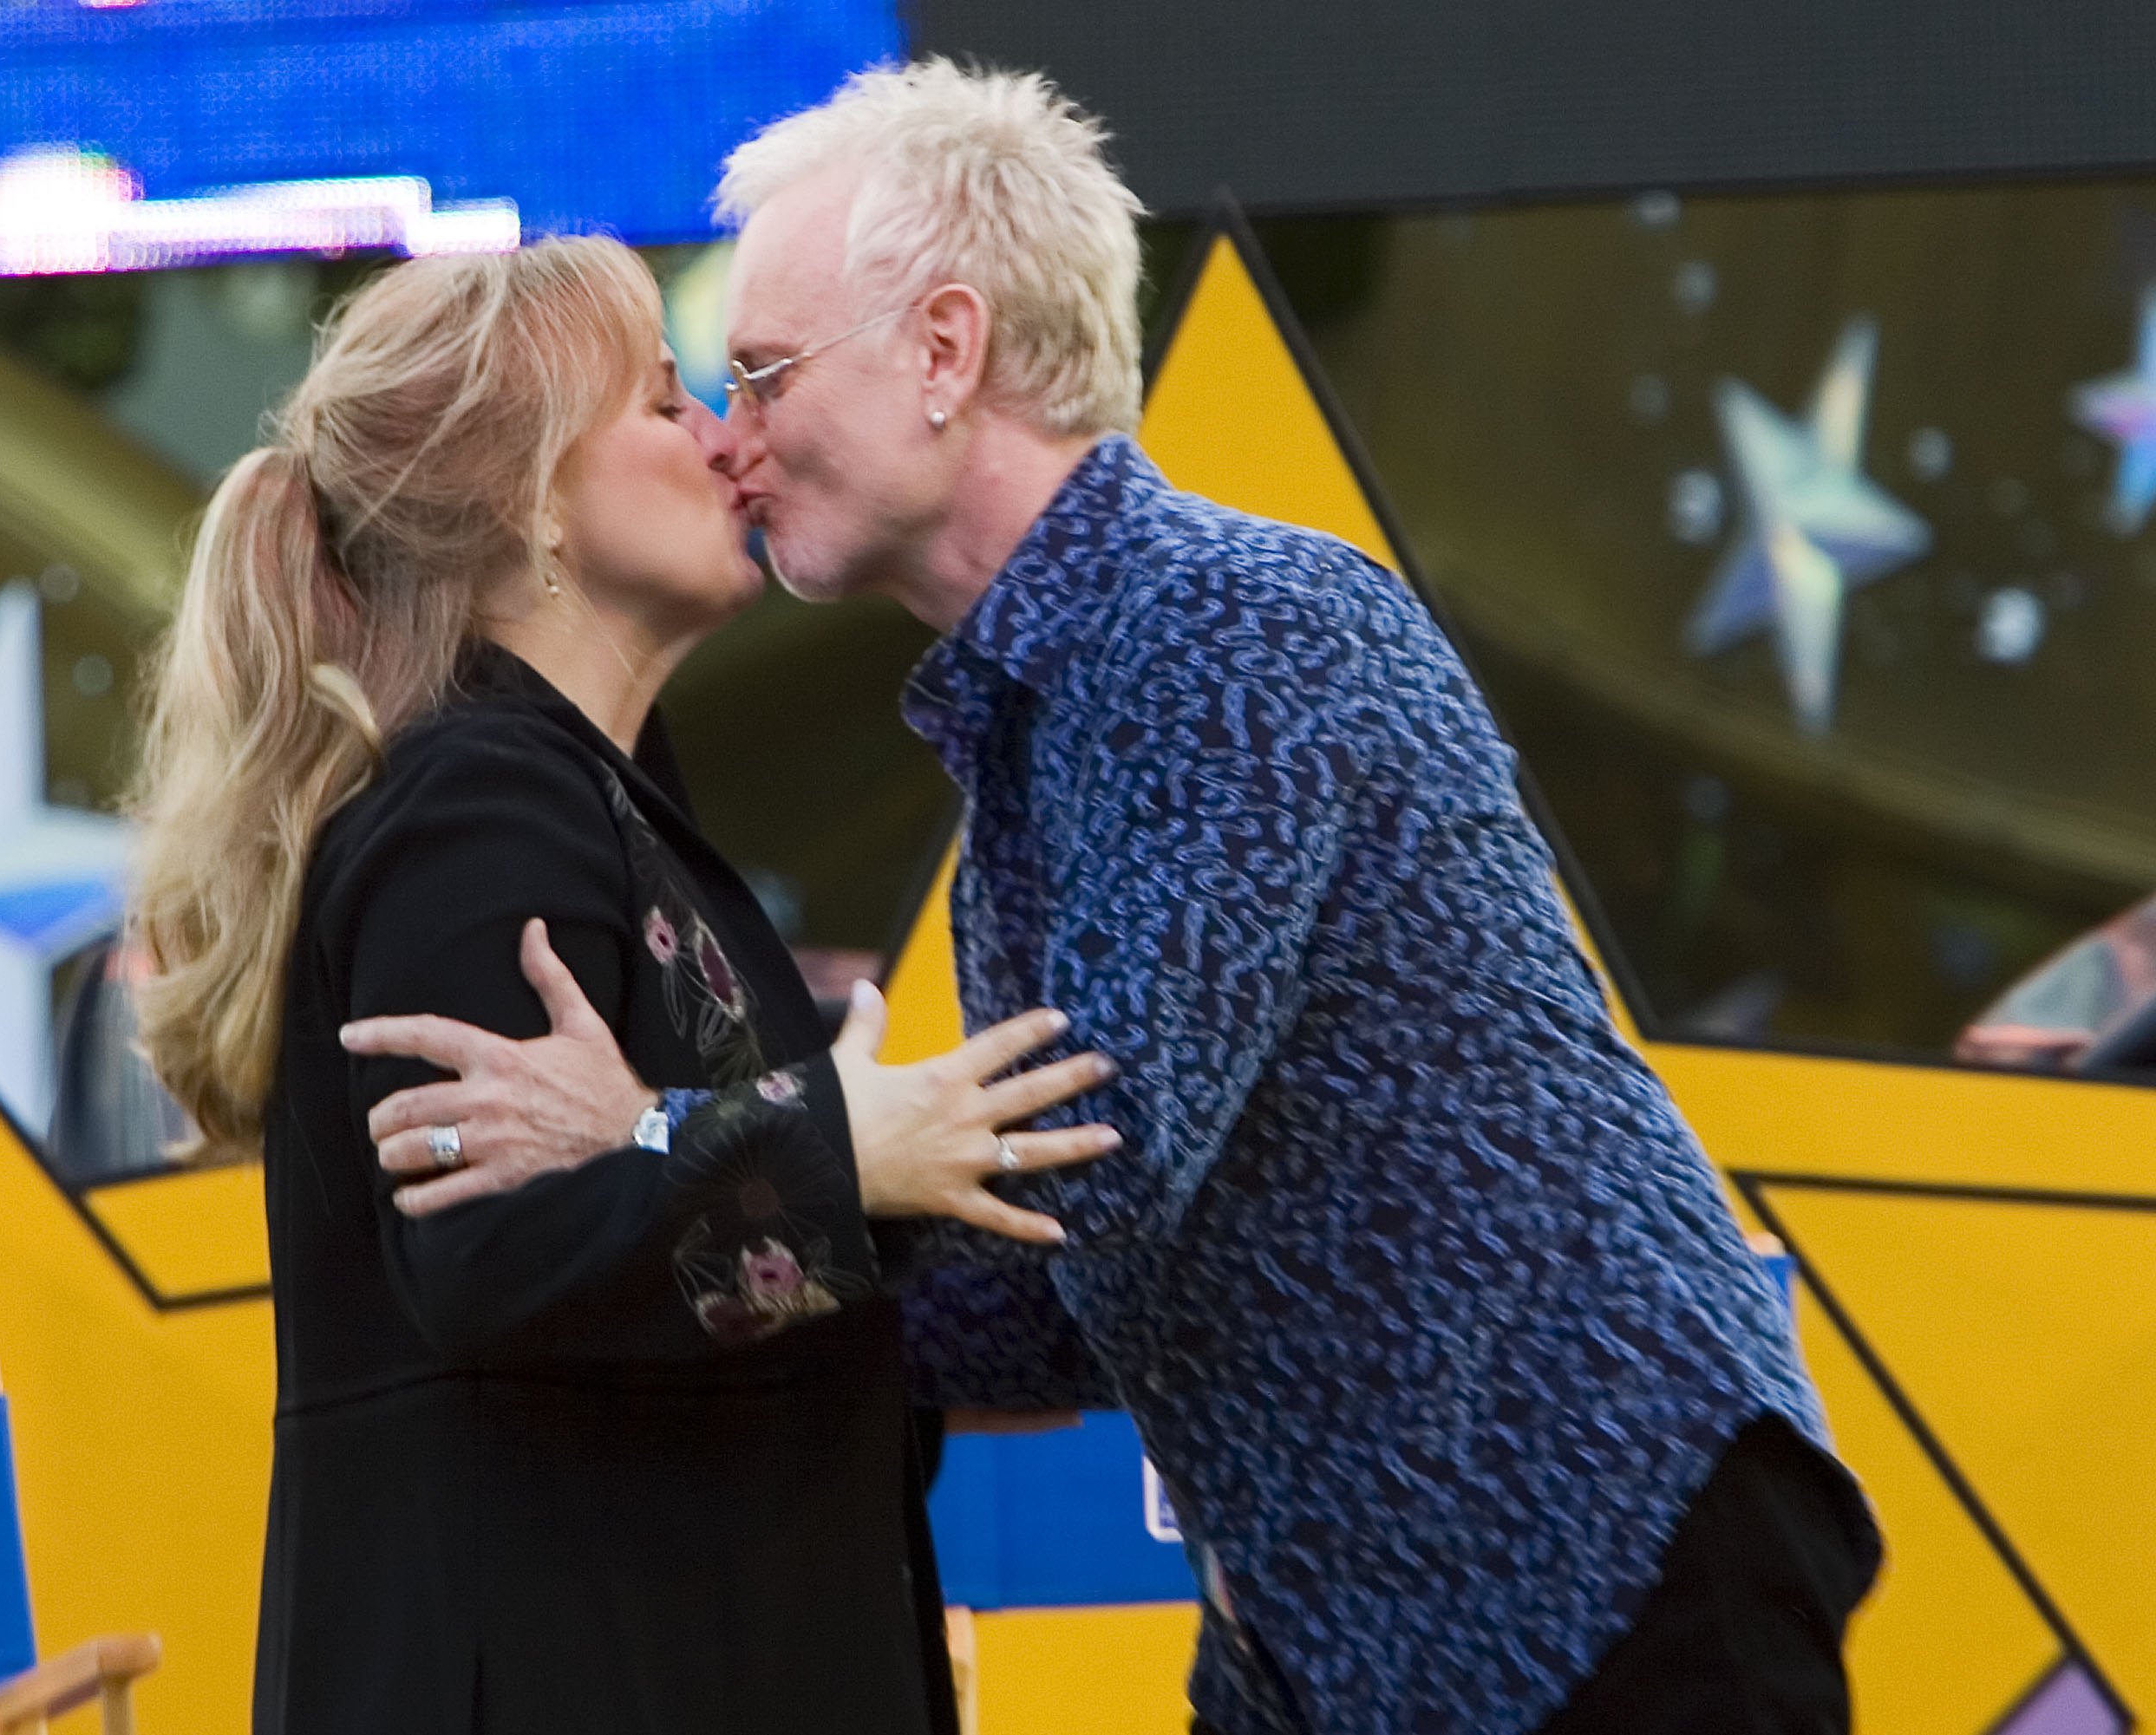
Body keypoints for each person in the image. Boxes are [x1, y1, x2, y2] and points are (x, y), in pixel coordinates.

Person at [344, 62, 1886, 1735]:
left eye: (766, 371)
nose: (735, 433)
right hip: (1362, 1637)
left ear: (944, 352)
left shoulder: (1218, 633)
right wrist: (711, 1243)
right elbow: (1049, 1285)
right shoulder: (1056, 708)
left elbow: (1107, 1168)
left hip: (1603, 1568)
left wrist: (658, 1147)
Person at [121, 234, 1120, 1735]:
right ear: (532, 501)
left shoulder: (576, 803)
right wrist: (847, 1140)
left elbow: (668, 1225)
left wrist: (712, 1139)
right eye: (668, 405)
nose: (730, 437)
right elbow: (492, 1256)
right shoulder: (475, 809)